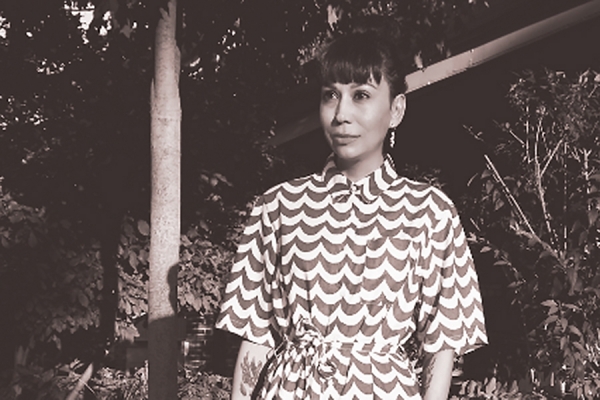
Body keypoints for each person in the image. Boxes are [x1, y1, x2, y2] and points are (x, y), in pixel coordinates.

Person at [216, 22, 487, 400]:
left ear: (396, 110)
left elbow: (441, 347)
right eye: (330, 95)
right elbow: (255, 340)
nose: (341, 113)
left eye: (361, 95)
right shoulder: (277, 206)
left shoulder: (429, 213)